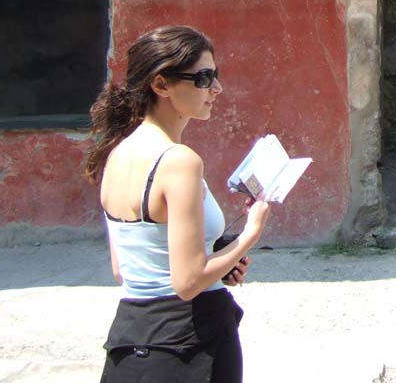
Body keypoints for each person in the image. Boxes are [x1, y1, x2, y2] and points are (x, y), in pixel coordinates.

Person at [84, 25, 271, 383]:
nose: (216, 88)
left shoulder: (115, 155)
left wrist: (218, 258)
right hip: (190, 342)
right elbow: (186, 282)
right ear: (161, 85)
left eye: (215, 76)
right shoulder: (179, 161)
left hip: (131, 342)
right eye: (203, 78)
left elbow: (126, 269)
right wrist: (251, 233)